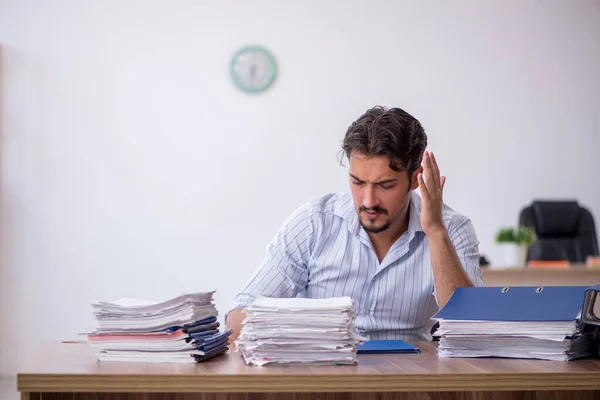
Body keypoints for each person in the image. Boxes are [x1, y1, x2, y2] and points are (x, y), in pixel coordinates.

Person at [225, 106, 484, 343]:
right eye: (358, 183)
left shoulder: (452, 229)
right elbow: (239, 319)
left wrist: (436, 232)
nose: (368, 201)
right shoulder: (313, 223)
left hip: (407, 379)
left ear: (416, 180)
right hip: (324, 377)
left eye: (385, 185)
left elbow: (469, 325)